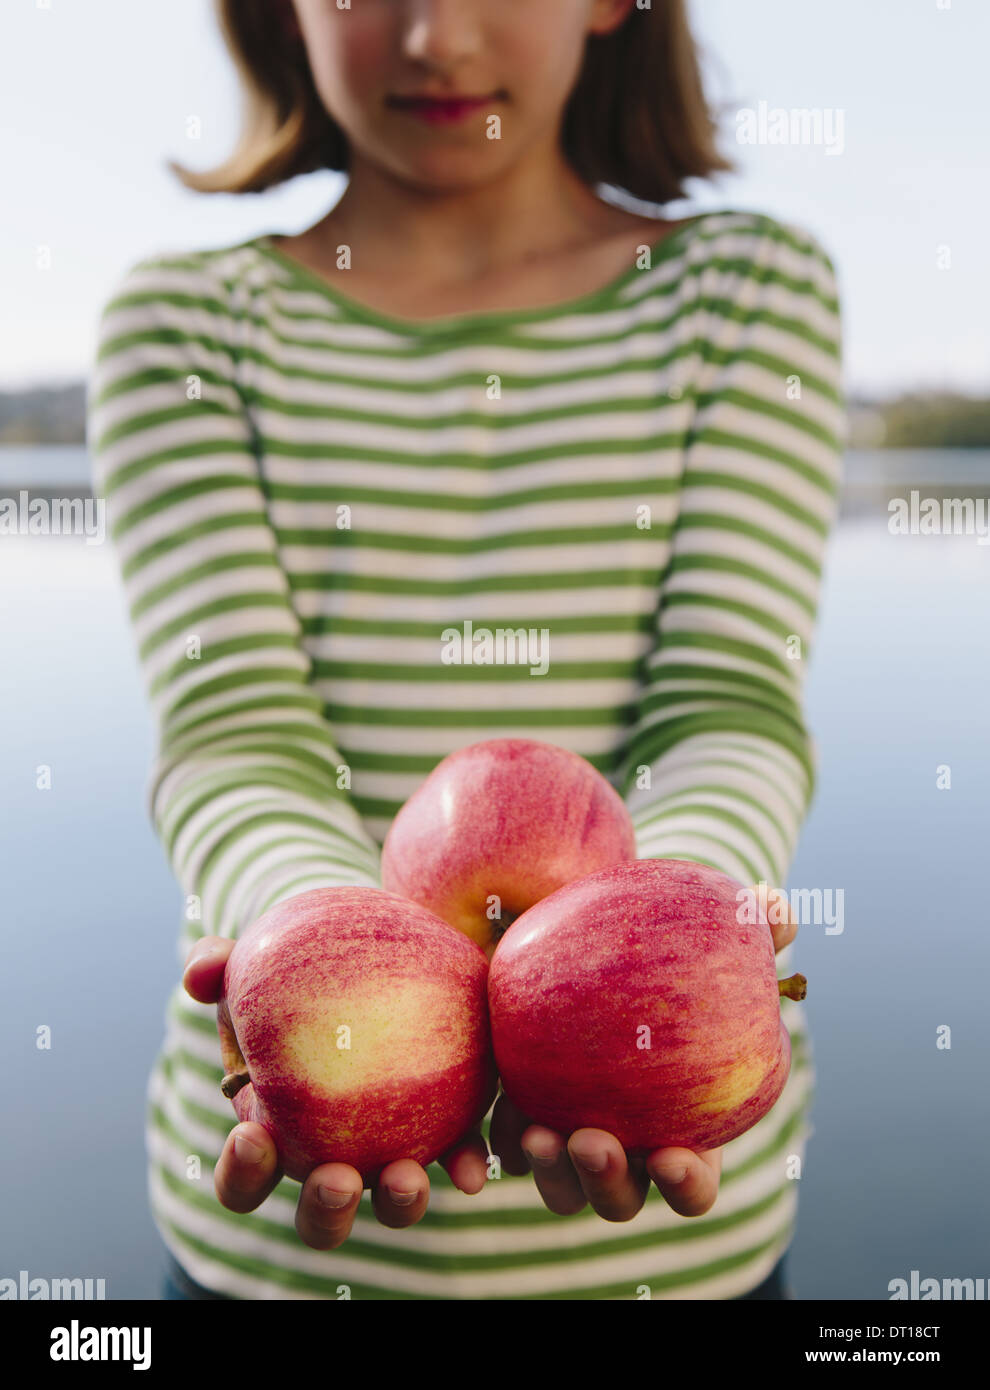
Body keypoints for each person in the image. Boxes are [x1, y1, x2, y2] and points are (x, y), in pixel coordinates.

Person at [86, 0, 843, 1300]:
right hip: (276, 1226)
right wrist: (301, 936)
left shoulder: (743, 292)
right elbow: (236, 737)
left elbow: (723, 701)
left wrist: (688, 918)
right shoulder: (188, 325)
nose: (435, 39)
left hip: (672, 1246)